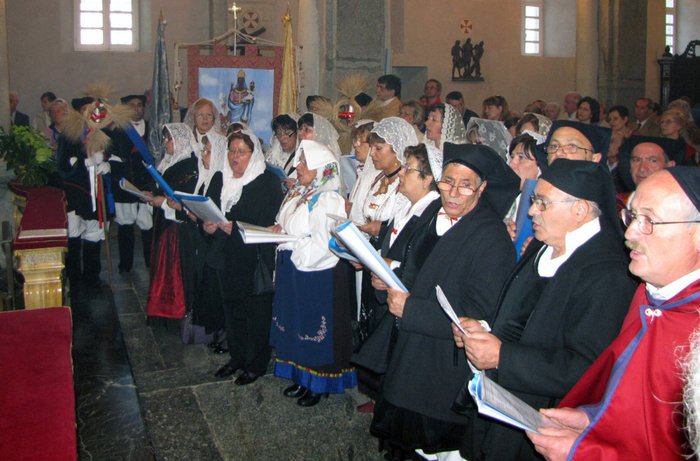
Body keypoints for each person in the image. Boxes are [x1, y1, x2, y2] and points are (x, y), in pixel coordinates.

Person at [454, 159, 637, 461]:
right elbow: (521, 317)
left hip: (545, 420)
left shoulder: (608, 274)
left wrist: (502, 356)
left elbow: (586, 367)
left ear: (579, 210)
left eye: (542, 202)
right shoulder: (543, 244)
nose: (530, 211)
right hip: (503, 401)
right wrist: (484, 330)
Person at [527, 166, 700, 460]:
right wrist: (593, 416)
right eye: (631, 216)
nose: (630, 232)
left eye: (649, 221)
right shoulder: (647, 294)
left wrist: (586, 454)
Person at [370, 143, 519, 459]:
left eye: (466, 186)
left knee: (432, 451)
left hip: (441, 370)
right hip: (409, 354)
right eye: (447, 181)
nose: (452, 192)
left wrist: (410, 309)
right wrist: (389, 280)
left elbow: (479, 316)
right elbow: (414, 269)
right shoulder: (432, 216)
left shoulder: (491, 238)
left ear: (482, 189)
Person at [352, 143, 441, 414]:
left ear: (427, 179)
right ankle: (381, 398)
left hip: (404, 296)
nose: (401, 173)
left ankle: (389, 406)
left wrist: (393, 267)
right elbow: (390, 241)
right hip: (386, 288)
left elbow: (429, 263)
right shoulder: (409, 207)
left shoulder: (433, 215)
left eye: (409, 169)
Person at [270, 139, 356, 407]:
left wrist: (290, 242)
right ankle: (300, 375)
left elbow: (324, 245)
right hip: (294, 269)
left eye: (305, 161)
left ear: (321, 167)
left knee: (315, 328)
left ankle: (318, 383)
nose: (298, 166)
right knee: (296, 324)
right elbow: (285, 221)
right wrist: (278, 230)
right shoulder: (300, 192)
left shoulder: (328, 198)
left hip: (316, 272)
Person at [206, 130, 283, 384]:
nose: (234, 157)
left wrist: (236, 225)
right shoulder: (220, 178)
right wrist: (206, 225)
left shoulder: (267, 182)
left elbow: (268, 222)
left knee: (256, 313)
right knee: (232, 311)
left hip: (253, 257)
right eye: (231, 150)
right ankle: (236, 357)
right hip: (225, 255)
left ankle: (255, 364)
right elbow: (210, 210)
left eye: (241, 151)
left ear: (254, 154)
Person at [56, 96, 112, 290]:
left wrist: (107, 165)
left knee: (94, 232)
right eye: (85, 109)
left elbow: (113, 156)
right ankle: (74, 276)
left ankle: (92, 275)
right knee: (74, 232)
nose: (89, 113)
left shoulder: (102, 133)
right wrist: (82, 164)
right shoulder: (69, 135)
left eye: (92, 109)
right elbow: (62, 165)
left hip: (96, 192)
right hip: (76, 193)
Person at [145, 123, 199, 320]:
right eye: (165, 138)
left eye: (169, 139)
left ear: (181, 141)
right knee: (161, 267)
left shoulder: (189, 165)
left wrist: (164, 202)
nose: (165, 143)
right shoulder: (169, 161)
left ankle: (173, 309)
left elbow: (184, 198)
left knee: (173, 269)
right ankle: (161, 308)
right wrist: (152, 194)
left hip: (177, 227)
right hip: (164, 221)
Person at [109, 94, 155, 274]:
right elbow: (113, 158)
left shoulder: (153, 129)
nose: (137, 108)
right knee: (125, 226)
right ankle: (125, 265)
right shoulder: (118, 131)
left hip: (146, 186)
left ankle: (150, 262)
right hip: (125, 186)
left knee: (147, 226)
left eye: (139, 105)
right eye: (132, 105)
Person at [183, 97, 228, 173]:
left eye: (209, 115)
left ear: (214, 118)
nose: (205, 119)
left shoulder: (221, 139)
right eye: (200, 115)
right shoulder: (187, 139)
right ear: (193, 117)